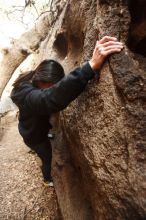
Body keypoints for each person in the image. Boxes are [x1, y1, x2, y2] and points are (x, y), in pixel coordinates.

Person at [11, 36, 123, 187]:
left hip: (35, 126)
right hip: (33, 137)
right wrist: (89, 67)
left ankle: (46, 134)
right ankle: (46, 179)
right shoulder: (29, 96)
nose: (54, 89)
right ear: (41, 82)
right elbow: (47, 99)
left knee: (44, 128)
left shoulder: (33, 80)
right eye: (51, 86)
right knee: (47, 156)